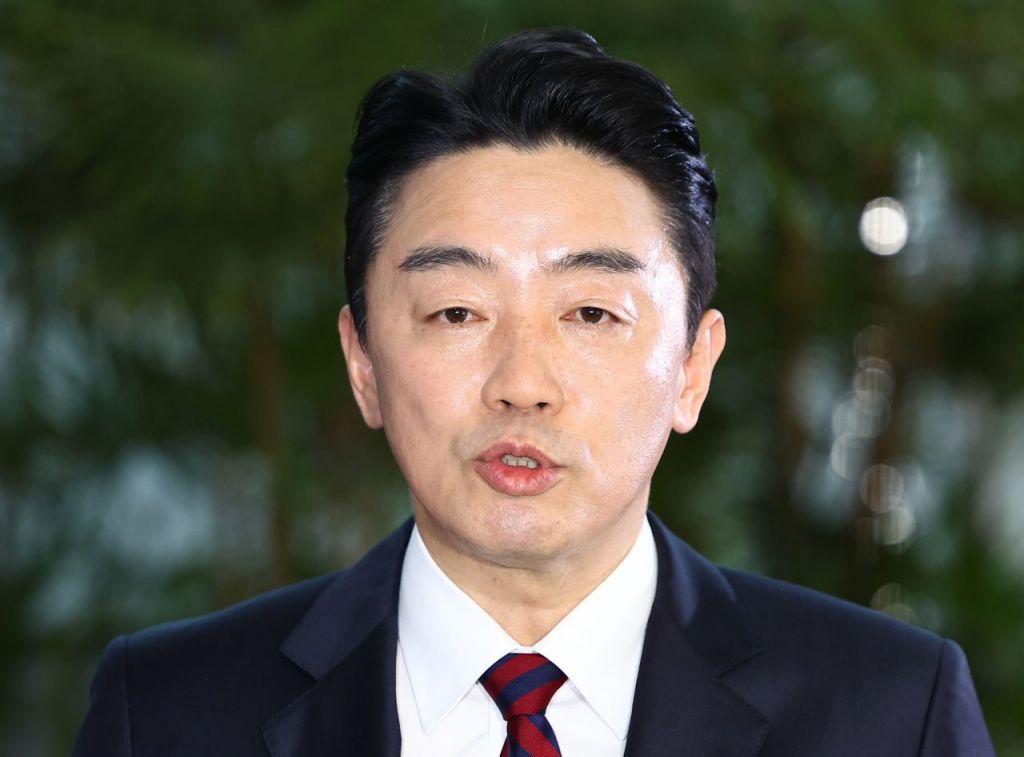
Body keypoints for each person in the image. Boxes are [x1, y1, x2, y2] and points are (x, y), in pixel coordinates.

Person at [73, 28, 994, 756]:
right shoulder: (165, 710)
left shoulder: (890, 711)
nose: (522, 385)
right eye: (457, 311)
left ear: (692, 367)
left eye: (591, 312)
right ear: (363, 362)